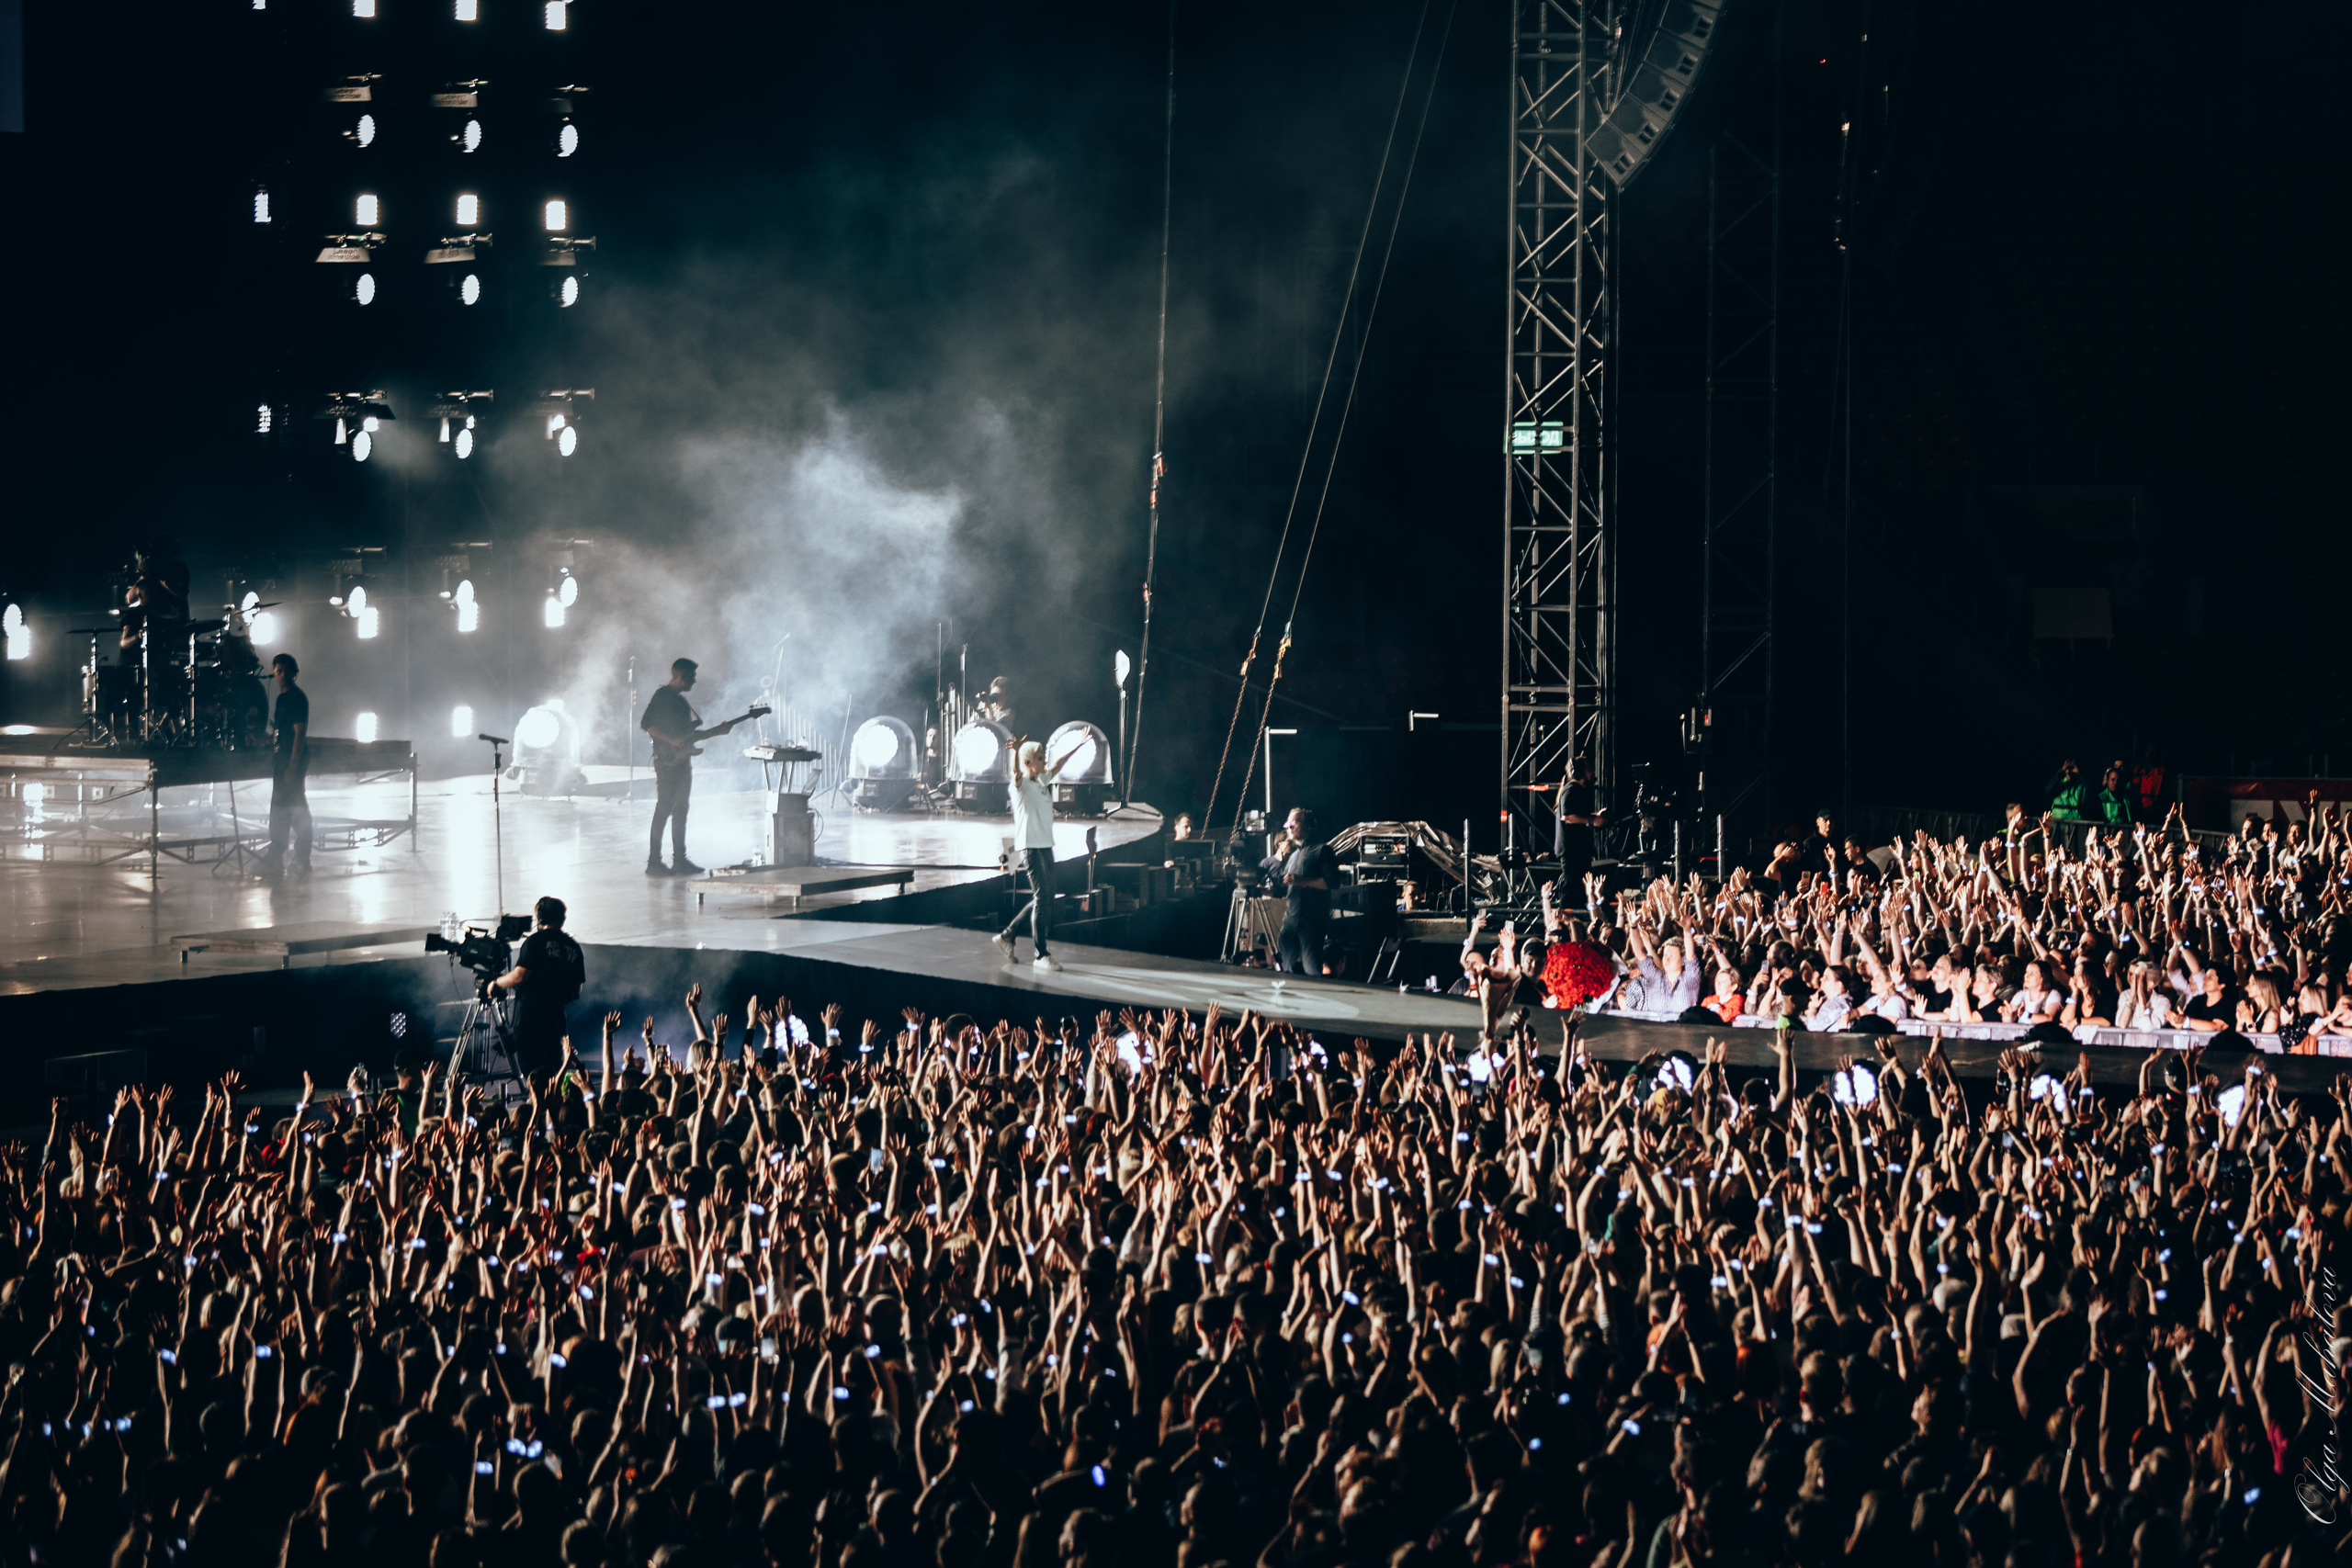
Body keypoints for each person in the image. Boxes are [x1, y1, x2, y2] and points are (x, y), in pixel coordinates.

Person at [639, 657, 753, 876]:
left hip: (682, 761)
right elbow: (648, 725)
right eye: (692, 677)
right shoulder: (662, 695)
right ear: (681, 676)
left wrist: (717, 732)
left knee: (681, 810)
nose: (695, 681)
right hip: (667, 762)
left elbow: (688, 736)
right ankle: (654, 862)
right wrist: (672, 741)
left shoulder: (682, 702)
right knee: (664, 808)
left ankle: (680, 861)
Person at [994, 739, 1076, 971]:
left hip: (1045, 845)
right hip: (1030, 846)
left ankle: (1008, 935)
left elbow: (1058, 765)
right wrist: (1016, 752)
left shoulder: (1040, 780)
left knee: (1046, 897)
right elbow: (1015, 773)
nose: (1044, 761)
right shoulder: (1019, 786)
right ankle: (1041, 954)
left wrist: (1078, 745)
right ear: (1028, 762)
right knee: (1042, 898)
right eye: (1040, 758)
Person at [489, 895, 586, 1075]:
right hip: (556, 1023)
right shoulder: (573, 947)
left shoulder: (535, 941)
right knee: (552, 1073)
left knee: (533, 1075)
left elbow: (519, 977)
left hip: (530, 1022)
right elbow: (577, 990)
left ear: (540, 918)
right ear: (562, 918)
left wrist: (496, 982)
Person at [259, 651, 311, 878]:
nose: (280, 674)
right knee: (279, 808)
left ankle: (302, 857)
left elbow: (299, 733)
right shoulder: (281, 699)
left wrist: (293, 764)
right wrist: (265, 740)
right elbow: (282, 731)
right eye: (277, 670)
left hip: (292, 759)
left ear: (293, 673)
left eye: (284, 670)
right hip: (282, 758)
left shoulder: (297, 698)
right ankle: (277, 856)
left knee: (296, 808)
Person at [1274, 806, 1335, 976]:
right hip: (1290, 922)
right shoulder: (1293, 856)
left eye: (1293, 822)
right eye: (1288, 823)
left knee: (1312, 970)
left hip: (1311, 923)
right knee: (1284, 970)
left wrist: (1301, 881)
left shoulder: (1322, 850)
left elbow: (1332, 882)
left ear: (1307, 825)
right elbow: (1287, 889)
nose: (1288, 826)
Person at [1553, 757, 1600, 886]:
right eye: (1589, 769)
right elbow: (1567, 816)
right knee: (1572, 891)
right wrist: (1592, 820)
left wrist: (1596, 816)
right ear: (1580, 772)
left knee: (1580, 890)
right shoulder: (1572, 789)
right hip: (1572, 852)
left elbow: (1576, 814)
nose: (1592, 772)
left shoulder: (1574, 789)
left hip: (1577, 851)